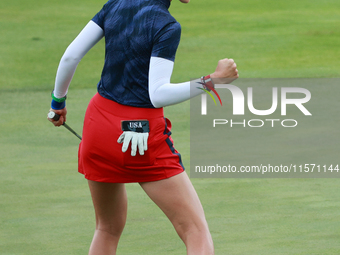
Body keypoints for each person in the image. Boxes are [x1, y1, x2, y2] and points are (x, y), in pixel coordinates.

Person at [47, 0, 238, 254]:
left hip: (98, 126)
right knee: (195, 230)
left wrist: (58, 101)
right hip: (140, 133)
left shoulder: (114, 4)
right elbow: (157, 94)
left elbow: (71, 55)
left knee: (106, 228)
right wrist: (211, 81)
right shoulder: (166, 25)